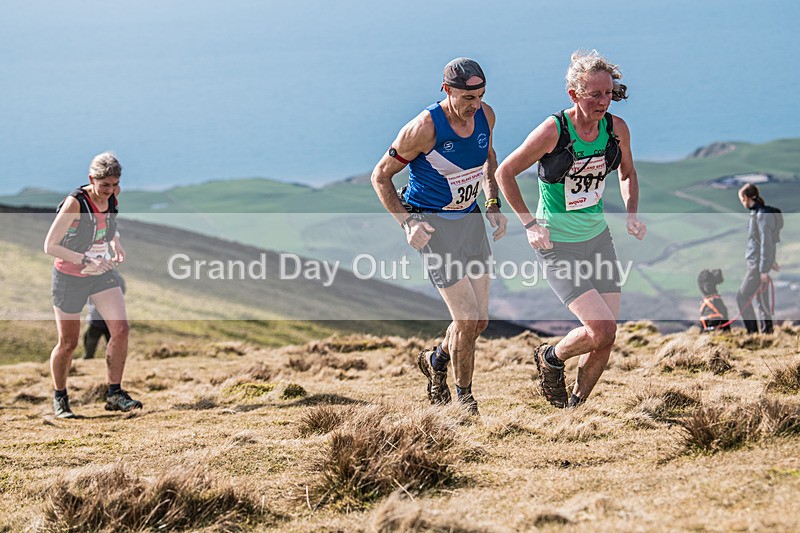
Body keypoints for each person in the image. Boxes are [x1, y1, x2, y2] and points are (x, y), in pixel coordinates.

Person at [495, 50, 646, 408]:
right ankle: (552, 357)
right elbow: (505, 173)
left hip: (598, 240)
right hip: (557, 244)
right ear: (574, 94)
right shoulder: (554, 130)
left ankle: (574, 409)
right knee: (602, 329)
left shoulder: (616, 129)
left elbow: (627, 173)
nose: (603, 101)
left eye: (608, 93)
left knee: (606, 337)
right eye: (594, 94)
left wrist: (632, 213)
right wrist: (529, 223)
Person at [370, 58, 507, 414]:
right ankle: (464, 401)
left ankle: (436, 359)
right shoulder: (423, 128)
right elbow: (380, 177)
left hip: (470, 220)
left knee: (479, 322)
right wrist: (407, 223)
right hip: (433, 225)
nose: (474, 105)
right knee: (464, 319)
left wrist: (492, 201)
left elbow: (488, 158)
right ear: (446, 90)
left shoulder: (485, 115)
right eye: (466, 97)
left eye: (480, 96)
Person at [44, 152, 142, 418]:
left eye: (115, 184)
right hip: (69, 277)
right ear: (91, 179)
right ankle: (60, 397)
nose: (110, 190)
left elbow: (108, 223)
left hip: (100, 274)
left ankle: (114, 393)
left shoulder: (112, 196)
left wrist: (115, 242)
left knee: (120, 329)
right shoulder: (75, 203)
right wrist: (86, 259)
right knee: (68, 343)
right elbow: (50, 246)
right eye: (105, 185)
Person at [736, 183, 782, 334]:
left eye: (741, 199)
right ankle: (767, 332)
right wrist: (770, 261)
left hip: (756, 265)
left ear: (745, 197)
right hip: (758, 263)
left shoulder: (761, 215)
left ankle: (752, 333)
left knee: (742, 297)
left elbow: (766, 242)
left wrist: (763, 269)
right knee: (761, 299)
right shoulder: (758, 213)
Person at [83, 271, 126, 359]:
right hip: (109, 318)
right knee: (112, 344)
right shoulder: (117, 277)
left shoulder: (95, 276)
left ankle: (88, 358)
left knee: (91, 341)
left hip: (98, 319)